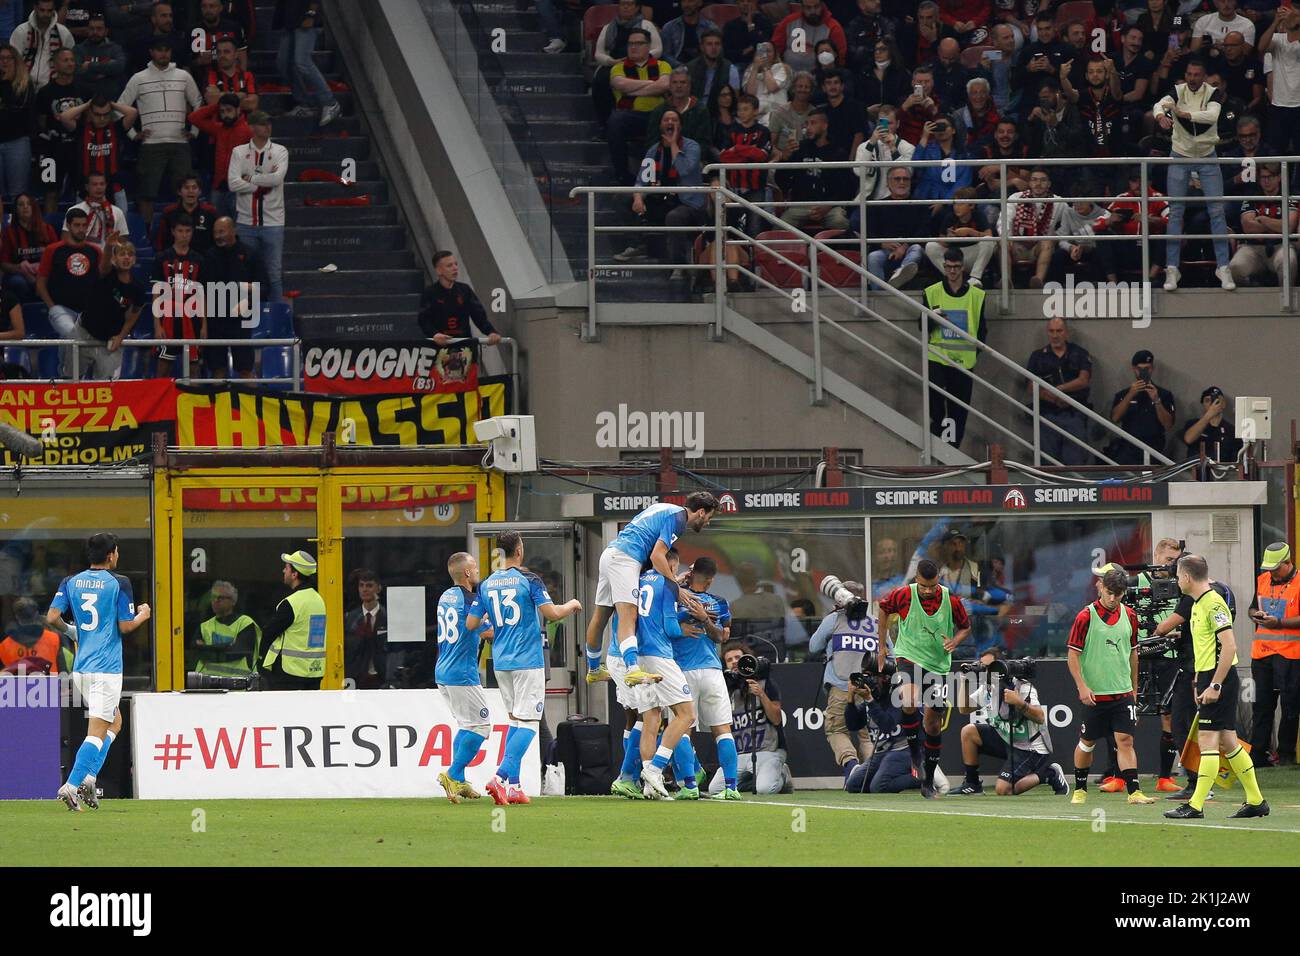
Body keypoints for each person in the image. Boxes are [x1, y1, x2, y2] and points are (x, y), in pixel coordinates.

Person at [466, 530, 581, 805]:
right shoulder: (529, 580)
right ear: (519, 550)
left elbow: (471, 624)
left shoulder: (487, 584)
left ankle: (514, 786)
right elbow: (552, 614)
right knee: (529, 722)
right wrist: (572, 605)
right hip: (527, 662)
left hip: (501, 663)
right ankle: (501, 776)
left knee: (516, 720)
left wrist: (493, 628)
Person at [48, 531, 150, 810]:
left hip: (81, 668)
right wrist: (143, 614)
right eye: (117, 551)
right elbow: (125, 626)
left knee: (114, 722)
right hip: (106, 668)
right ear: (110, 555)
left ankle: (90, 778)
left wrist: (73, 632)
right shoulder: (119, 583)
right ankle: (71, 785)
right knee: (96, 731)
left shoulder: (71, 581)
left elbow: (53, 617)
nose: (118, 555)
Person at [1165, 554, 1269, 819]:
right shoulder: (1198, 603)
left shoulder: (1213, 603)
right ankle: (1256, 801)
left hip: (1218, 678)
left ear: (1187, 577)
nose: (1177, 581)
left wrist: (1215, 685)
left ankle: (1196, 805)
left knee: (1208, 741)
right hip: (1209, 676)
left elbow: (1230, 646)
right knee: (1228, 742)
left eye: (1178, 576)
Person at [583, 494, 717, 690]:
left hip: (611, 554)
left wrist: (673, 582)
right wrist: (676, 588)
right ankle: (632, 669)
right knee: (629, 613)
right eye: (709, 518)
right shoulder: (679, 520)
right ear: (701, 511)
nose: (708, 522)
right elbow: (657, 556)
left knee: (601, 614)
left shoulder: (667, 508)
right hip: (626, 558)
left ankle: (594, 669)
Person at [876, 558, 969, 798]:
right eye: (924, 586)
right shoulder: (904, 595)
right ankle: (914, 750)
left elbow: (965, 627)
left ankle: (928, 779)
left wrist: (955, 641)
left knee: (933, 723)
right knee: (908, 699)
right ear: (916, 579)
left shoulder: (951, 599)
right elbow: (883, 608)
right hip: (908, 656)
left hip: (937, 664)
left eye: (932, 586)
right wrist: (882, 647)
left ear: (938, 579)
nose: (928, 591)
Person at [1066, 566, 1156, 806]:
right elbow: (1072, 655)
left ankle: (1134, 791)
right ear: (1100, 587)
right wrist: (1082, 687)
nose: (1113, 598)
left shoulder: (1130, 616)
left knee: (1125, 740)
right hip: (1095, 695)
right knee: (1087, 743)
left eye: (1118, 593)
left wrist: (1134, 692)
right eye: (1109, 592)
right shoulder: (1086, 616)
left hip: (1123, 693)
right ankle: (1080, 788)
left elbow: (1133, 656)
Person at [1154, 58, 1235, 291]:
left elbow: (1211, 116)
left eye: (1197, 74)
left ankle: (1223, 267)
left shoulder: (1214, 93)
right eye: (1189, 74)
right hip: (1180, 155)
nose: (1192, 78)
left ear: (1204, 76)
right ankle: (1172, 268)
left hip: (1208, 156)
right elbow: (1160, 104)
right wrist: (1161, 116)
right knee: (1176, 212)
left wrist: (1184, 114)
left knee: (1217, 211)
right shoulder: (1177, 91)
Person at [667, 555, 738, 800]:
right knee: (723, 730)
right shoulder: (719, 602)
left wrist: (687, 618)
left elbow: (662, 627)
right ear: (711, 580)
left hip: (682, 671)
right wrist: (708, 620)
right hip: (712, 671)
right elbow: (722, 637)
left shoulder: (676, 599)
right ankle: (731, 788)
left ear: (691, 572)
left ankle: (689, 786)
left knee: (683, 729)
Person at [954, 650, 1069, 796]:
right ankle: (972, 784)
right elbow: (964, 709)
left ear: (1001, 667)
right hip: (1008, 740)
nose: (985, 671)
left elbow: (1040, 717)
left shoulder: (1022, 686)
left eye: (990, 667)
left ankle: (1049, 773)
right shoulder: (988, 688)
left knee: (1003, 790)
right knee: (969, 732)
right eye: (983, 666)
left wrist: (1019, 703)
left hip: (1031, 748)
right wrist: (965, 679)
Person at [119, 36, 201, 228]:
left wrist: (195, 131)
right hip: (151, 145)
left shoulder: (183, 76)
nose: (163, 53)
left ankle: (182, 231)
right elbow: (120, 107)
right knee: (146, 194)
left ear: (171, 52)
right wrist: (132, 134)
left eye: (166, 50)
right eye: (159, 49)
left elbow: (198, 102)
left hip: (180, 144)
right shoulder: (139, 78)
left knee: (185, 193)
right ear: (151, 52)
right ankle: (146, 234)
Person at [434, 551, 494, 804]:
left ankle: (459, 780)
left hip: (443, 671)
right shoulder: (470, 600)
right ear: (467, 573)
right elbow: (487, 632)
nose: (478, 571)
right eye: (475, 568)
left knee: (466, 726)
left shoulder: (445, 596)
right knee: (481, 726)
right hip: (462, 673)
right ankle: (453, 774)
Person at [808, 579, 878, 781]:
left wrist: (832, 615)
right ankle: (870, 775)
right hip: (867, 688)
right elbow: (888, 652)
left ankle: (851, 766)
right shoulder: (874, 621)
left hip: (841, 686)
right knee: (865, 734)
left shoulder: (834, 619)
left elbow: (814, 646)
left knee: (837, 730)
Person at [923, 246, 987, 450]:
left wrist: (974, 352)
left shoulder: (977, 296)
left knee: (959, 410)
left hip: (964, 361)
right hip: (937, 359)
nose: (952, 271)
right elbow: (921, 327)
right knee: (937, 405)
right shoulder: (931, 292)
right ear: (944, 267)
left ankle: (953, 450)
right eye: (949, 267)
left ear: (963, 268)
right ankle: (938, 443)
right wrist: (933, 319)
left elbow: (982, 329)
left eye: (956, 267)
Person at [709, 640, 790, 796]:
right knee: (715, 789)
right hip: (739, 754)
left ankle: (782, 775)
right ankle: (757, 778)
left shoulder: (764, 683)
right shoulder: (726, 691)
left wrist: (760, 694)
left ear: (747, 659)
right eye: (729, 660)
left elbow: (777, 719)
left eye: (738, 657)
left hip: (769, 751)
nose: (734, 662)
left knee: (765, 789)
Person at [1247, 543, 1300, 768]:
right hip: (1262, 655)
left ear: (1288, 563)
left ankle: (1286, 755)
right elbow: (1251, 608)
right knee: (1261, 706)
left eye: (1276, 568)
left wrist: (1279, 623)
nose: (1271, 573)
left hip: (1290, 655)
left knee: (1290, 706)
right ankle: (1258, 755)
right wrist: (1256, 615)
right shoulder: (1262, 580)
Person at [227, 110, 286, 303]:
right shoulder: (239, 152)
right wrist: (263, 181)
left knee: (274, 273)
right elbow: (232, 184)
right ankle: (245, 316)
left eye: (269, 123)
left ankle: (277, 321)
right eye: (262, 124)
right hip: (245, 222)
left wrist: (250, 178)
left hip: (273, 221)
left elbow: (277, 179)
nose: (267, 127)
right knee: (245, 273)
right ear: (251, 127)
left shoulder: (280, 151)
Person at [36, 207, 100, 378]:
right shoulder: (53, 250)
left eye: (84, 225)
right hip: (61, 308)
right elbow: (41, 282)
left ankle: (68, 376)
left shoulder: (95, 251)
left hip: (88, 311)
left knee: (75, 338)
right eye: (77, 225)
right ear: (69, 226)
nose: (81, 229)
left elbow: (103, 281)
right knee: (73, 334)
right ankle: (69, 374)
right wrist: (51, 306)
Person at [1024, 316, 1093, 466]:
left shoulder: (1080, 353)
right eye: (1051, 331)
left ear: (1066, 332)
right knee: (1048, 462)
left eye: (1059, 331)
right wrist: (1055, 398)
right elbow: (1031, 387)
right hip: (1047, 414)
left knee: (1075, 461)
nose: (1055, 335)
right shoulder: (1037, 356)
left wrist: (1058, 390)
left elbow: (1083, 380)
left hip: (1074, 414)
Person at [607, 28, 671, 186]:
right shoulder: (618, 67)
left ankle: (662, 177)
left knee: (670, 116)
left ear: (648, 46)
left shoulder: (663, 65)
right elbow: (620, 84)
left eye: (639, 43)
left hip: (658, 116)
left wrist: (633, 90)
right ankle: (622, 174)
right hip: (631, 116)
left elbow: (664, 85)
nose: (633, 47)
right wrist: (652, 85)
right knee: (616, 120)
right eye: (630, 44)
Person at [77, 232, 144, 380]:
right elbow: (104, 263)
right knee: (72, 378)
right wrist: (108, 246)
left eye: (130, 255)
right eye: (122, 254)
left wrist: (121, 336)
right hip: (84, 332)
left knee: (107, 386)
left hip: (109, 340)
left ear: (134, 260)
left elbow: (135, 313)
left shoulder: (137, 288)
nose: (126, 257)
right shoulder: (106, 273)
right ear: (114, 259)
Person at [258, 549, 327, 691]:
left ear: (295, 574)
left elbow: (269, 633)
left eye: (287, 568)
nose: (284, 571)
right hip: (314, 672)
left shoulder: (292, 603)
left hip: (290, 673)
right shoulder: (318, 600)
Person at [777, 106, 853, 232]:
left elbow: (847, 187)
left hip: (829, 207)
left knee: (840, 222)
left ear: (824, 126)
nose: (808, 128)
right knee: (780, 227)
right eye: (807, 124)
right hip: (800, 205)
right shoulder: (799, 149)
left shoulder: (838, 152)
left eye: (813, 123)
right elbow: (781, 181)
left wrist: (828, 206)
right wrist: (784, 159)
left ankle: (840, 252)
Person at [841, 668, 918, 793]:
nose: (870, 681)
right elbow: (852, 725)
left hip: (904, 751)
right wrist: (850, 700)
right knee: (853, 785)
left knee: (878, 787)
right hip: (881, 753)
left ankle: (923, 776)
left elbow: (888, 726)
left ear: (886, 678)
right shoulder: (871, 700)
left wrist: (870, 700)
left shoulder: (897, 697)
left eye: (873, 677)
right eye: (867, 676)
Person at [590, 0, 662, 133]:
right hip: (615, 63)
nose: (626, 7)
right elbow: (598, 53)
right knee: (600, 80)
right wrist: (612, 61)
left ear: (637, 7)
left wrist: (638, 57)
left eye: (630, 4)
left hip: (642, 62)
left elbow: (658, 49)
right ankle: (604, 125)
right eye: (623, 4)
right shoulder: (608, 27)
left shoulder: (647, 25)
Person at [59, 94, 137, 214]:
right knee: (83, 228)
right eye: (97, 114)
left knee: (120, 229)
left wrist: (112, 104)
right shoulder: (82, 130)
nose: (102, 119)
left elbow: (133, 113)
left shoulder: (116, 128)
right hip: (86, 189)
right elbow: (64, 117)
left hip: (114, 188)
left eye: (106, 114)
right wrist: (87, 105)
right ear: (90, 113)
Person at [201, 216, 258, 380]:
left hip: (241, 322)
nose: (218, 236)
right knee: (218, 371)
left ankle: (250, 404)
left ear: (233, 230)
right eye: (215, 232)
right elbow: (201, 290)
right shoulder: (209, 257)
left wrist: (247, 301)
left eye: (222, 231)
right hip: (215, 322)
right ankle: (219, 405)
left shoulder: (250, 255)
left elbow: (264, 286)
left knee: (246, 371)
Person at [34, 48, 90, 214]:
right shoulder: (45, 92)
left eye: (72, 60)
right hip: (51, 150)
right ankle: (48, 233)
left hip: (78, 149)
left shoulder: (84, 90)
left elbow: (89, 120)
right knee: (51, 192)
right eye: (65, 60)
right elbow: (41, 123)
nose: (70, 63)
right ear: (55, 64)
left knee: (82, 191)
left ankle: (82, 230)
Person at [152, 213, 205, 378]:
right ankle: (161, 402)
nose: (184, 235)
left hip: (193, 318)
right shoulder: (162, 258)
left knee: (194, 367)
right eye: (180, 231)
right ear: (173, 232)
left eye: (188, 231)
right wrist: (157, 325)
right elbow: (156, 293)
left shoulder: (199, 259)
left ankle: (193, 400)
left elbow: (202, 295)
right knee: (164, 368)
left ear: (192, 232)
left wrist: (204, 325)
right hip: (167, 318)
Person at [273, 0, 339, 127]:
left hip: (306, 19)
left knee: (302, 62)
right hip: (290, 20)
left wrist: (311, 14)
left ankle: (330, 103)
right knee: (284, 63)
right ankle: (306, 104)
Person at [416, 250, 502, 346]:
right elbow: (423, 320)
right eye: (449, 266)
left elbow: (479, 316)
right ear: (438, 270)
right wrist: (434, 334)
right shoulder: (430, 292)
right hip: (439, 348)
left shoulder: (465, 290)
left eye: (456, 264)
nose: (455, 268)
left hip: (465, 349)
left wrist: (491, 332)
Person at [1107, 349, 1176, 465]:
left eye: (1147, 368)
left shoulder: (1164, 395)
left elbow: (1168, 424)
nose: (1144, 372)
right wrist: (1130, 394)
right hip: (1128, 448)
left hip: (1154, 448)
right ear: (1134, 369)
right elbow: (1115, 418)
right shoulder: (1123, 395)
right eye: (1140, 369)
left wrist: (1156, 400)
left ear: (1152, 368)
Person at [188, 93, 251, 221]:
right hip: (219, 186)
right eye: (222, 111)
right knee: (217, 226)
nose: (225, 115)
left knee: (238, 228)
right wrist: (217, 106)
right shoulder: (219, 129)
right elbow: (194, 118)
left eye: (229, 110)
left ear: (238, 110)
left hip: (239, 189)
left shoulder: (248, 131)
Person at [999, 167, 1063, 289]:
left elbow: (1070, 220)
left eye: (1043, 180)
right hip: (1016, 246)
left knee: (1048, 241)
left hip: (1038, 249)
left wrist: (1056, 235)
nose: (1038, 184)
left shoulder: (1059, 202)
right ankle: (1006, 281)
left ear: (1049, 184)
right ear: (1029, 183)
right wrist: (1006, 236)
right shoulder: (1016, 198)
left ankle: (1038, 280)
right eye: (1034, 180)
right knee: (1002, 241)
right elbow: (1004, 220)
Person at [866, 165, 928, 286]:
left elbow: (923, 231)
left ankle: (900, 274)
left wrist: (904, 246)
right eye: (897, 179)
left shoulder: (920, 205)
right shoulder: (876, 206)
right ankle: (880, 294)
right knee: (873, 257)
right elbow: (869, 232)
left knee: (916, 250)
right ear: (888, 183)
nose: (902, 182)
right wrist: (882, 243)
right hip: (885, 250)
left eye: (906, 179)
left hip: (910, 248)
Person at [189, 580, 261, 678]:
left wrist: (206, 647)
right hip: (207, 687)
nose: (215, 601)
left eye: (220, 598)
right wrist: (227, 646)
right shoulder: (205, 626)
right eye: (213, 597)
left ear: (232, 601)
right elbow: (195, 652)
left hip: (237, 686)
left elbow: (237, 652)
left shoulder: (245, 623)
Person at [1259, 6, 1300, 160]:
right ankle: (1278, 183)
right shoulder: (1277, 40)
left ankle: (1296, 185)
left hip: (1299, 104)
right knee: (1276, 152)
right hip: (1279, 105)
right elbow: (1261, 47)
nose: (1290, 17)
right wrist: (1276, 21)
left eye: (1294, 14)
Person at [0, 192, 57, 301]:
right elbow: (3, 264)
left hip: (44, 271)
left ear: (34, 207)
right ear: (16, 209)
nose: (25, 207)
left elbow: (56, 257)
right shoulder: (9, 233)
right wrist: (19, 268)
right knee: (18, 282)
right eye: (21, 204)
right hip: (19, 274)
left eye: (28, 204)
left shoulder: (47, 229)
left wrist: (42, 267)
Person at [9, 0, 73, 90]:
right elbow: (14, 61)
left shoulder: (63, 33)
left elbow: (70, 63)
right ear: (35, 8)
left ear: (54, 9)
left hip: (53, 88)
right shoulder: (21, 31)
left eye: (49, 11)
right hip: (24, 86)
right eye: (42, 10)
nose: (46, 14)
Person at [772, 0, 847, 75]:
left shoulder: (833, 28)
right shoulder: (789, 22)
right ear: (801, 7)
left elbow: (840, 60)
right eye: (808, 8)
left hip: (818, 78)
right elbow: (774, 50)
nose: (813, 11)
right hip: (786, 75)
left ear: (822, 5)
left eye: (816, 7)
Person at [0, 44, 34, 201]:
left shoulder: (25, 85)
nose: (4, 62)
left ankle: (17, 225)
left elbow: (17, 113)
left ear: (16, 61)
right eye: (1, 58)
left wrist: (6, 82)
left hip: (17, 142)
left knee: (18, 194)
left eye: (8, 58)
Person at [343, 567, 386, 690]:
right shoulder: (350, 618)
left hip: (380, 677)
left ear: (378, 588)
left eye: (369, 585)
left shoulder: (387, 616)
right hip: (355, 677)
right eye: (361, 585)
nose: (364, 589)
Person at [1182, 385, 1244, 468]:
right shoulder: (1193, 423)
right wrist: (1209, 415)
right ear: (1203, 404)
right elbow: (1188, 439)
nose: (1212, 404)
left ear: (1223, 403)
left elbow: (1237, 461)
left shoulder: (1232, 430)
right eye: (1207, 401)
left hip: (1223, 474)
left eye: (1216, 400)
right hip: (1196, 472)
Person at [154, 174, 217, 255]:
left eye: (194, 188)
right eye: (186, 188)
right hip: (174, 260)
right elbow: (161, 241)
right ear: (179, 192)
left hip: (203, 261)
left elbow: (215, 241)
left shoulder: (210, 212)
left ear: (200, 191)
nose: (190, 191)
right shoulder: (169, 212)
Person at [0, 596, 63, 672]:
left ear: (17, 617)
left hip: (15, 684)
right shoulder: (54, 639)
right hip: (52, 683)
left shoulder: (4, 646)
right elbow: (64, 671)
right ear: (36, 614)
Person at [68, 170, 127, 247]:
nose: (99, 187)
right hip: (83, 255)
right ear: (87, 187)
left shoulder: (117, 212)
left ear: (106, 186)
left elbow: (122, 242)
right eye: (94, 184)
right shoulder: (74, 210)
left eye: (102, 184)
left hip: (109, 255)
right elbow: (67, 239)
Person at [73, 13, 126, 97]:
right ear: (87, 30)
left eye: (99, 29)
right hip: (85, 97)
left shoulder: (115, 48)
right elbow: (77, 72)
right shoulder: (78, 49)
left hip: (111, 97)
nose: (95, 32)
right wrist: (106, 70)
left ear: (106, 31)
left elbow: (119, 67)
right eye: (91, 29)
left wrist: (89, 65)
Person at [202, 36, 256, 113]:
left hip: (242, 123)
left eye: (226, 52)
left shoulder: (248, 76)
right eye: (219, 52)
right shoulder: (210, 75)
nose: (222, 55)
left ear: (236, 54)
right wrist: (239, 96)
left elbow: (252, 104)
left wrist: (221, 97)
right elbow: (211, 100)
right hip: (217, 124)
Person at [661, 0, 717, 66]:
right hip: (677, 70)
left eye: (690, 1)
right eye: (683, 1)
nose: (686, 5)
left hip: (703, 69)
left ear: (700, 3)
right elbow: (666, 55)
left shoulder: (710, 27)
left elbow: (715, 53)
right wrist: (682, 67)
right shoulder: (670, 27)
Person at [724, 0, 774, 68]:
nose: (745, 3)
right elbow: (728, 53)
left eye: (749, 1)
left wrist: (750, 25)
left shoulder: (765, 22)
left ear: (755, 2)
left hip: (762, 63)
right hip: (739, 64)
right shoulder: (730, 26)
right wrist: (746, 50)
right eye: (742, 1)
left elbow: (764, 46)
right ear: (737, 4)